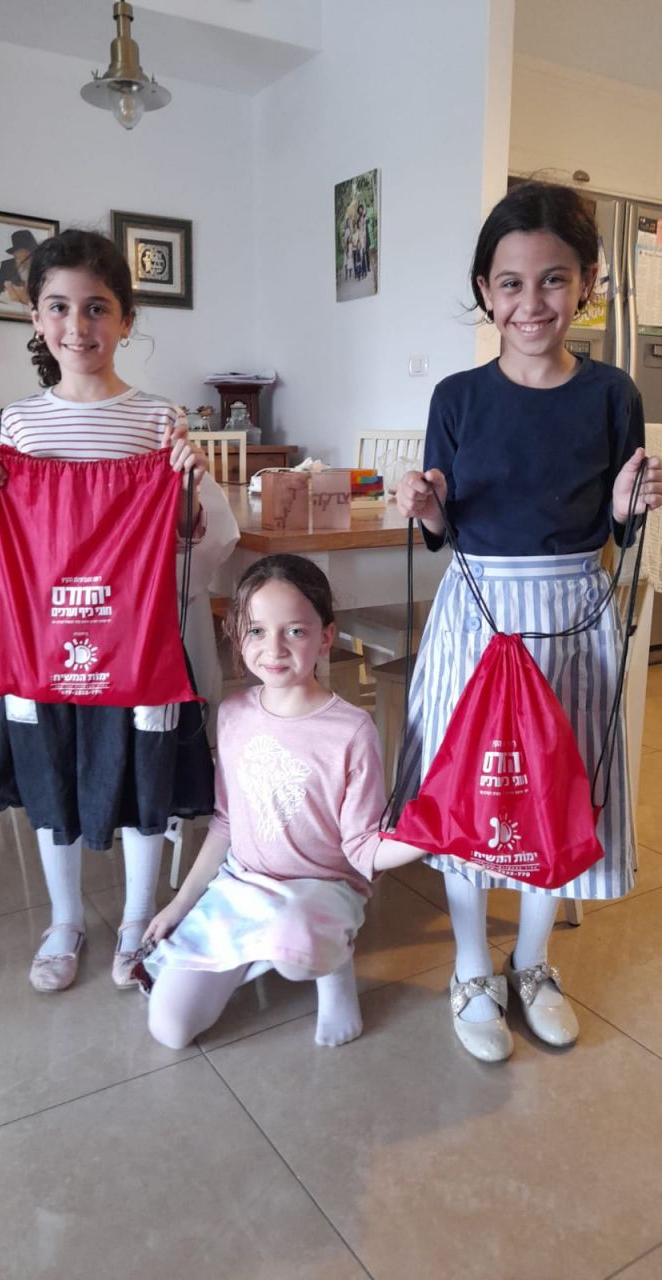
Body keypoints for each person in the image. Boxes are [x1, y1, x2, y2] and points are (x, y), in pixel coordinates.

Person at [392, 180, 662, 1063]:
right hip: (475, 613)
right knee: (471, 785)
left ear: (586, 286)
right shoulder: (457, 397)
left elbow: (619, 528)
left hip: (572, 610)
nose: (532, 302)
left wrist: (627, 507)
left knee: (559, 788)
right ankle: (471, 966)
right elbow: (443, 531)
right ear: (485, 290)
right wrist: (426, 506)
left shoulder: (612, 393)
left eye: (554, 279)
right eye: (511, 283)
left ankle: (534, 961)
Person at [0, 229, 239, 994]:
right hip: (44, 641)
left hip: (138, 640)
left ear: (125, 319)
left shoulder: (157, 420)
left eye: (97, 308)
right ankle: (64, 921)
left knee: (145, 781)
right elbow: (15, 546)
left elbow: (195, 539)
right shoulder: (19, 425)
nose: (78, 325)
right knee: (51, 776)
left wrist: (187, 482)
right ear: (35, 318)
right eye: (59, 307)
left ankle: (136, 923)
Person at [142, 553, 423, 1051]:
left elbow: (362, 847)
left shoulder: (351, 730)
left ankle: (332, 969)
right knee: (170, 1028)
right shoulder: (233, 713)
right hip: (244, 885)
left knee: (296, 953)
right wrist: (181, 904)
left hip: (322, 889)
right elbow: (226, 822)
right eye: (256, 631)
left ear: (325, 637)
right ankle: (253, 945)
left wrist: (431, 839)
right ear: (237, 634)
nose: (273, 648)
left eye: (294, 631)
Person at [0, 228, 38, 306]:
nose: (16, 255)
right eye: (17, 253)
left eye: (28, 254)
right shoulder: (7, 266)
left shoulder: (43, 267)